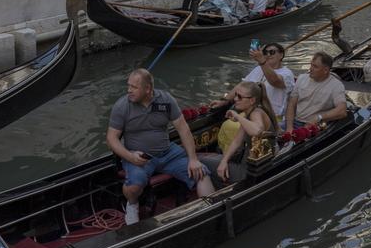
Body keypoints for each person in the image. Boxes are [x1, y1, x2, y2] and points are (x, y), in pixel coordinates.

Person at [106, 68, 207, 225]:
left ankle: (209, 211)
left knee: (201, 173)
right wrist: (130, 156)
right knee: (134, 186)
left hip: (168, 153)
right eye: (128, 86)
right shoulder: (122, 106)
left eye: (134, 87)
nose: (129, 91)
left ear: (148, 89)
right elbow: (111, 139)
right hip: (139, 157)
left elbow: (183, 128)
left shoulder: (165, 101)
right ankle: (132, 204)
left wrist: (193, 159)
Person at [200, 81, 278, 191]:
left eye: (240, 97)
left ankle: (212, 195)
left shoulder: (256, 113)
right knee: (208, 160)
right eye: (236, 95)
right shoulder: (249, 113)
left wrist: (237, 116)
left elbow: (257, 130)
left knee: (199, 162)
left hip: (248, 171)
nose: (235, 99)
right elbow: (237, 142)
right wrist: (224, 161)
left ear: (252, 100)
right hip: (249, 165)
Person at [285, 52, 347, 130]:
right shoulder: (301, 78)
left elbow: (342, 111)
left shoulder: (336, 85)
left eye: (315, 66)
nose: (310, 68)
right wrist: (289, 127)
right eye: (311, 65)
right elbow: (291, 104)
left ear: (325, 70)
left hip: (317, 126)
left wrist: (319, 117)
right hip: (295, 122)